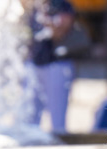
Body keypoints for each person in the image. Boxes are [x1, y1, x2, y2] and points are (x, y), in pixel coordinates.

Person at [28, 0, 90, 133]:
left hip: (58, 65)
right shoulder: (36, 6)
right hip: (36, 64)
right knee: (30, 114)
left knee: (57, 117)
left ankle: (59, 146)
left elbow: (61, 30)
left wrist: (47, 23)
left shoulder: (62, 5)